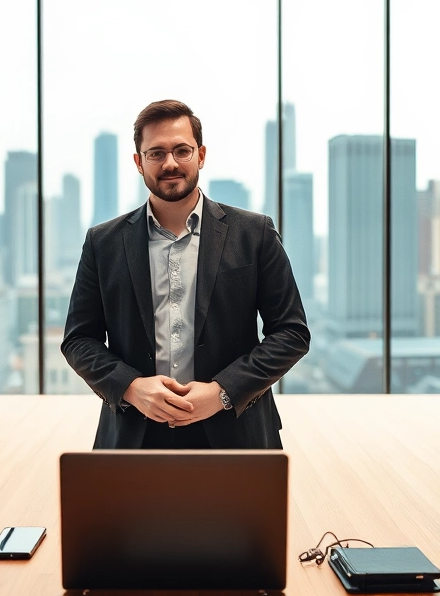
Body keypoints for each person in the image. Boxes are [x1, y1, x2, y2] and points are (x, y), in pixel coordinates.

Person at [62, 99, 310, 449]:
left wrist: (222, 392)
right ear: (138, 162)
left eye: (182, 150)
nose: (170, 163)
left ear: (201, 155)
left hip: (236, 434)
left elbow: (291, 334)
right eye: (156, 153)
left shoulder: (254, 234)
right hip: (134, 435)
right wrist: (131, 387)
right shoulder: (103, 243)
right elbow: (78, 340)